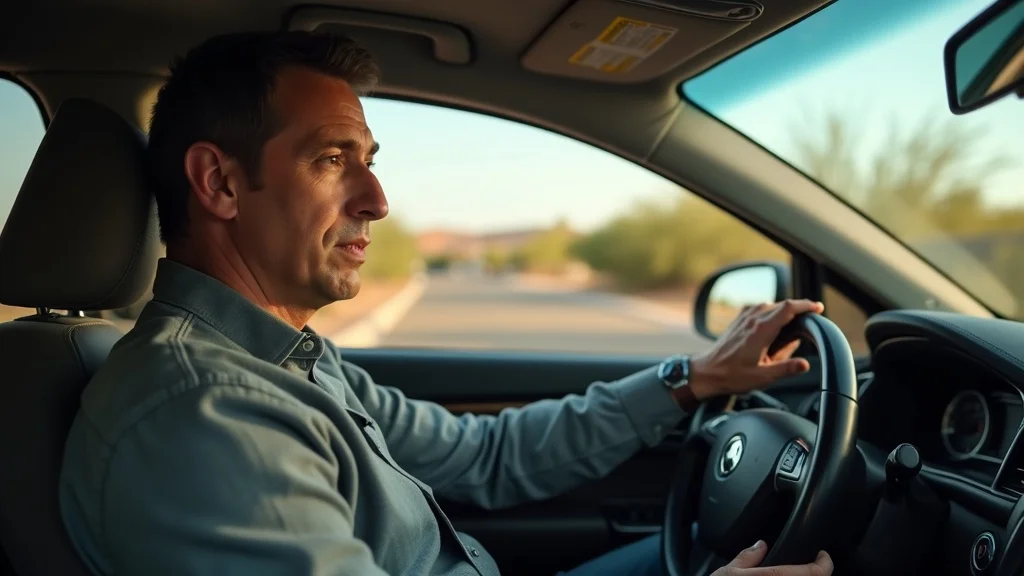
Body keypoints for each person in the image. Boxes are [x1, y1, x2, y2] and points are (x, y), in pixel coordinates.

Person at [58, 30, 834, 576]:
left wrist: (692, 380)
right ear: (220, 184)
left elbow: (482, 457)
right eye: (333, 160)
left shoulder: (288, 359)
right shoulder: (202, 417)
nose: (378, 200)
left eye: (369, 162)